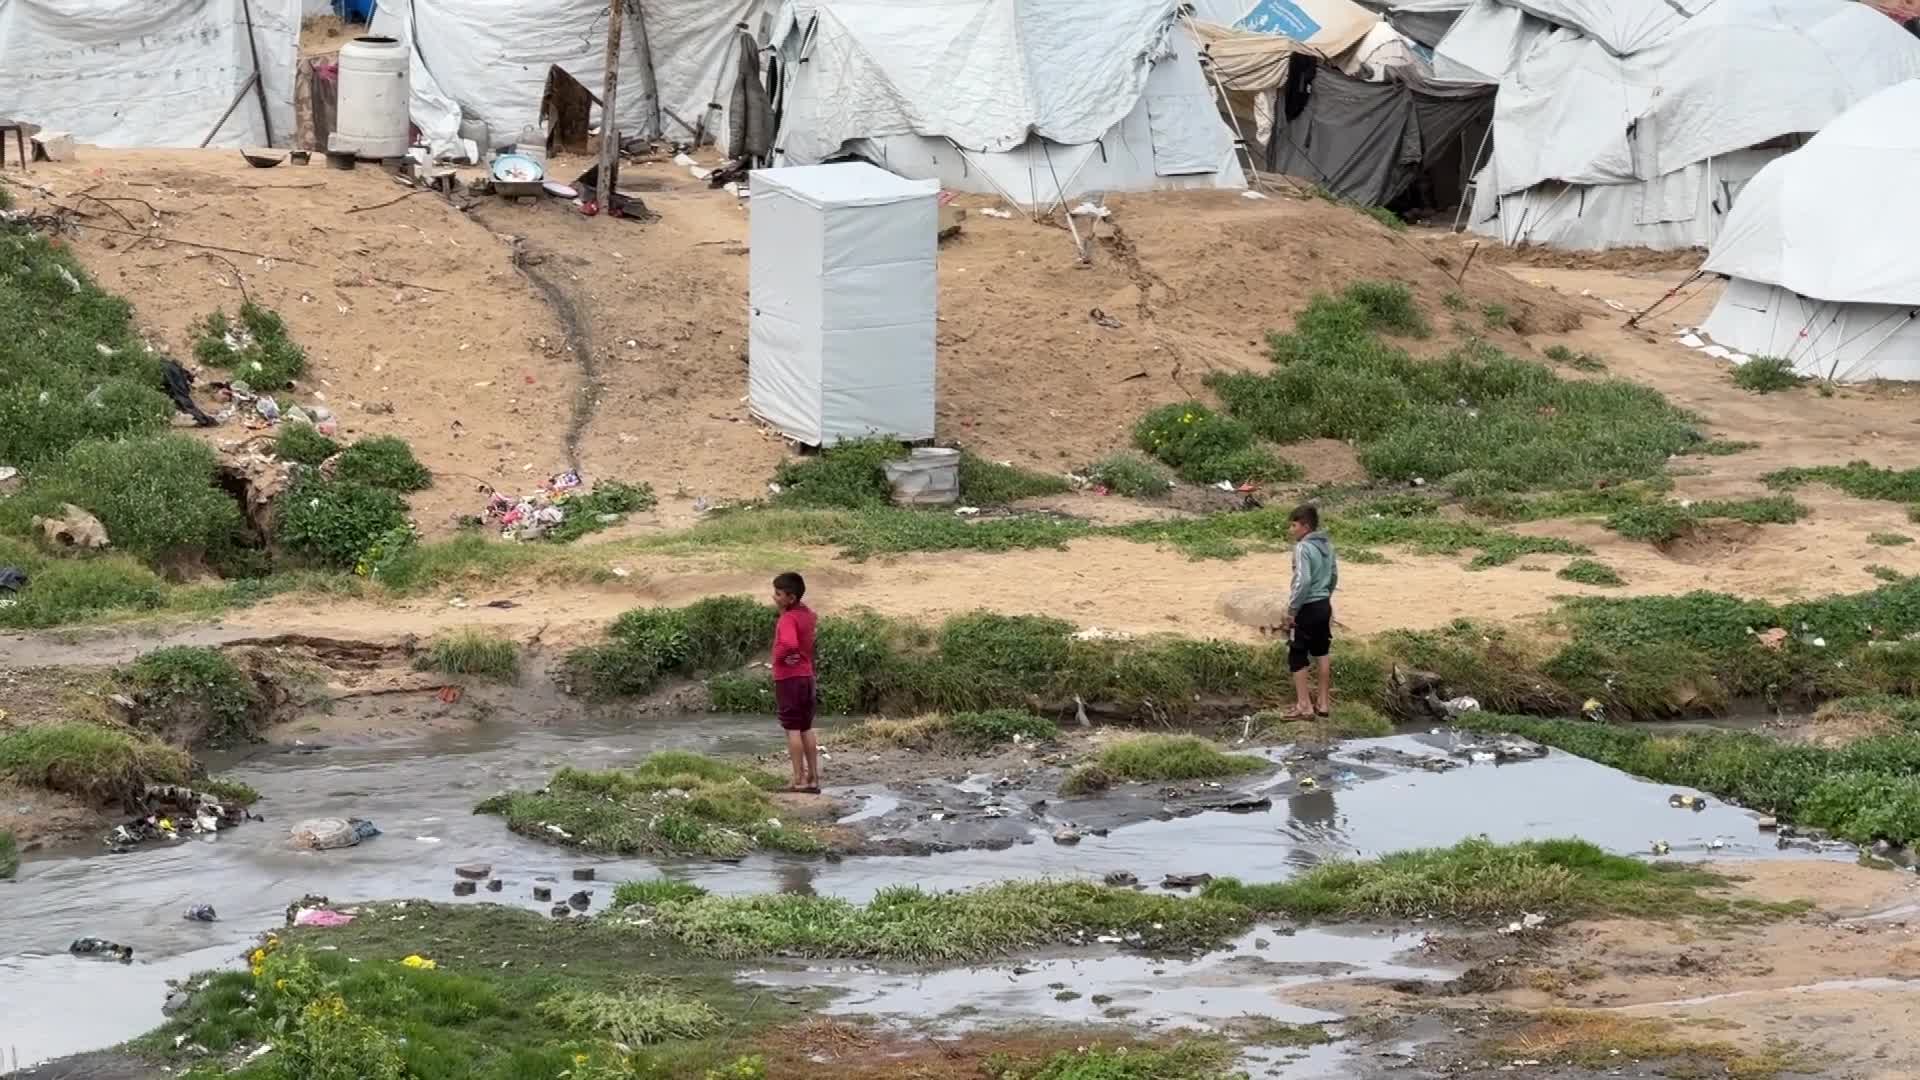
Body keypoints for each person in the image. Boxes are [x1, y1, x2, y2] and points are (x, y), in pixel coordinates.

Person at [1282, 504, 1338, 719]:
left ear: (1305, 526)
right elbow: (1333, 576)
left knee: (1297, 653)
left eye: (1293, 525)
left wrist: (1293, 609)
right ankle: (1323, 704)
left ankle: (1304, 705)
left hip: (1307, 607)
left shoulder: (1303, 548)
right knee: (1322, 652)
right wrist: (1326, 597)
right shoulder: (1328, 547)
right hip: (1324, 605)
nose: (1291, 530)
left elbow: (1302, 580)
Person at [771, 571, 820, 793]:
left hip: (789, 678)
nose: (774, 597)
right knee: (806, 727)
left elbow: (789, 644)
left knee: (792, 729)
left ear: (791, 598)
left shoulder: (787, 619)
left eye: (779, 594)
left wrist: (779, 657)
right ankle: (813, 778)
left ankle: (798, 779)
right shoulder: (807, 614)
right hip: (807, 676)